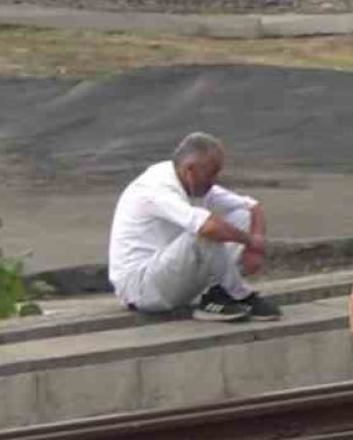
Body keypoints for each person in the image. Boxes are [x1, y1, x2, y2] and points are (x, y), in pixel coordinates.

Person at [107, 132, 282, 322]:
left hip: (170, 276)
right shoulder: (155, 188)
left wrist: (256, 248)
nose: (214, 181)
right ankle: (239, 294)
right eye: (211, 174)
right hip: (141, 288)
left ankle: (218, 295)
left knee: (241, 216)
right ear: (190, 170)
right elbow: (207, 228)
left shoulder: (193, 181)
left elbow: (252, 207)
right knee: (203, 233)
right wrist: (250, 241)